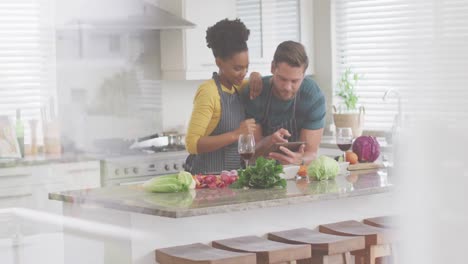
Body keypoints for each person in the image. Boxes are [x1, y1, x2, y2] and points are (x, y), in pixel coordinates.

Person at [185, 18, 262, 174]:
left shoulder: (238, 86)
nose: (243, 73)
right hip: (206, 180)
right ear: (219, 62)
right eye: (237, 68)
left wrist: (256, 75)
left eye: (247, 67)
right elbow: (192, 144)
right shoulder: (209, 92)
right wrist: (236, 134)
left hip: (232, 180)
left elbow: (256, 81)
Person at [241, 40, 326, 165]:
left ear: (303, 75)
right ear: (272, 68)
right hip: (260, 171)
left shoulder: (313, 97)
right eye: (282, 79)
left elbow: (311, 153)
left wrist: (300, 160)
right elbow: (251, 153)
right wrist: (269, 141)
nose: (287, 87)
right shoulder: (256, 92)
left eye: (295, 81)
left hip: (296, 172)